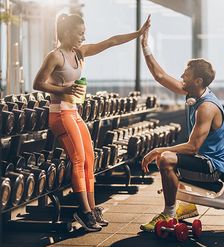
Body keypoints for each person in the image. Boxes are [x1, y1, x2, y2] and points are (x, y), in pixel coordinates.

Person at [33, 13, 151, 232]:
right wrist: (63, 89)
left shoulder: (80, 52)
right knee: (78, 160)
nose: (83, 37)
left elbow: (110, 42)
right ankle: (84, 211)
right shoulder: (55, 56)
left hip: (74, 111)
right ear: (67, 33)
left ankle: (92, 208)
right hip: (59, 113)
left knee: (90, 157)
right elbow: (37, 83)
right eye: (79, 33)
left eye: (84, 33)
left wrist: (138, 33)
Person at [139, 23, 224, 232]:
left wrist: (157, 150)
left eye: (185, 76)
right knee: (170, 155)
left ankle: (169, 213)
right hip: (202, 161)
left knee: (166, 158)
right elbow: (160, 76)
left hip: (212, 168)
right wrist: (145, 46)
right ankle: (187, 206)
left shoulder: (206, 107)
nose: (181, 77)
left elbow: (193, 147)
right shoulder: (193, 93)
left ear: (198, 81)